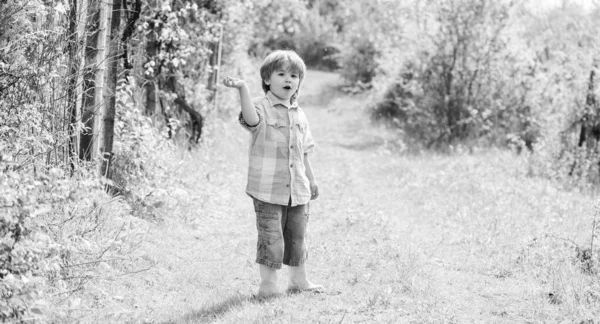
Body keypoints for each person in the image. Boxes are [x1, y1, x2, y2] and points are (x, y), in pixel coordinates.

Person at [223, 50, 324, 296]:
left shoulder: (299, 113)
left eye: (294, 75)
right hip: (267, 189)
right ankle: (268, 285)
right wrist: (243, 89)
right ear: (267, 79)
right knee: (271, 236)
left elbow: (304, 151)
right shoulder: (260, 107)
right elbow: (250, 120)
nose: (288, 79)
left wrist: (311, 179)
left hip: (297, 188)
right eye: (281, 74)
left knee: (297, 236)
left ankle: (299, 281)